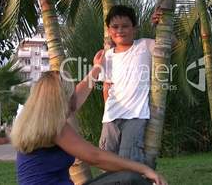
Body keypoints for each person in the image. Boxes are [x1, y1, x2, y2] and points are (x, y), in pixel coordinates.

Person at [10, 50, 167, 185]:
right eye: (69, 94)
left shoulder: (38, 120)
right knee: (131, 178)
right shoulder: (56, 128)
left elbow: (77, 97)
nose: (73, 97)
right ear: (61, 99)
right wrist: (144, 169)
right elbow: (95, 157)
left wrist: (97, 68)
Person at [99, 5, 156, 164]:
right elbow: (106, 86)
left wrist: (160, 24)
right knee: (107, 160)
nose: (120, 30)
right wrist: (108, 112)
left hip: (136, 116)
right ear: (109, 30)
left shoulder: (144, 46)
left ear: (134, 28)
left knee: (129, 159)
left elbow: (170, 43)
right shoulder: (107, 56)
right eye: (115, 27)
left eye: (125, 26)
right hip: (111, 117)